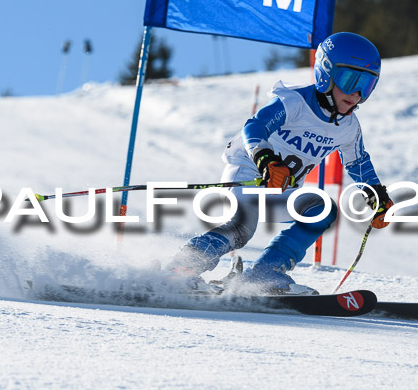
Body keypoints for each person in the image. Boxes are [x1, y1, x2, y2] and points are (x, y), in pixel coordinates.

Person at [168, 32, 394, 294]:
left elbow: (358, 162)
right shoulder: (295, 102)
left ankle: (264, 274)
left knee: (321, 210)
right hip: (250, 171)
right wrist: (266, 160)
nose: (356, 93)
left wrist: (376, 193)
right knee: (242, 227)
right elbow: (255, 126)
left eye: (366, 85)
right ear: (325, 74)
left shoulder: (349, 127)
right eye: (350, 79)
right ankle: (180, 269)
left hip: (282, 186)